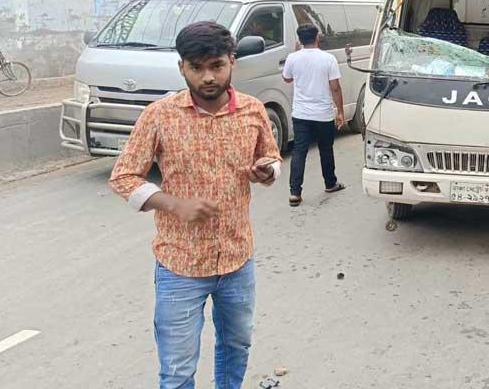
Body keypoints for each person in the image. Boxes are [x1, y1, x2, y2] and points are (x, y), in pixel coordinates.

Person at [109, 21, 282, 389]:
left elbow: (271, 156)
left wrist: (267, 172)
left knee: (236, 345)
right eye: (197, 67)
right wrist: (172, 204)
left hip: (237, 258)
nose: (207, 77)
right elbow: (124, 177)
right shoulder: (159, 115)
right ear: (182, 67)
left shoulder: (252, 110)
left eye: (216, 66)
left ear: (232, 62)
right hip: (180, 265)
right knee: (177, 369)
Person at [283, 24, 346, 206]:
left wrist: (295, 54)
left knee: (299, 151)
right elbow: (335, 87)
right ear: (317, 37)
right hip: (323, 114)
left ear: (299, 40)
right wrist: (340, 111)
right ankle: (330, 183)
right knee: (326, 149)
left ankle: (295, 192)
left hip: (301, 113)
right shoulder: (328, 59)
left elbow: (287, 79)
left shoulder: (292, 58)